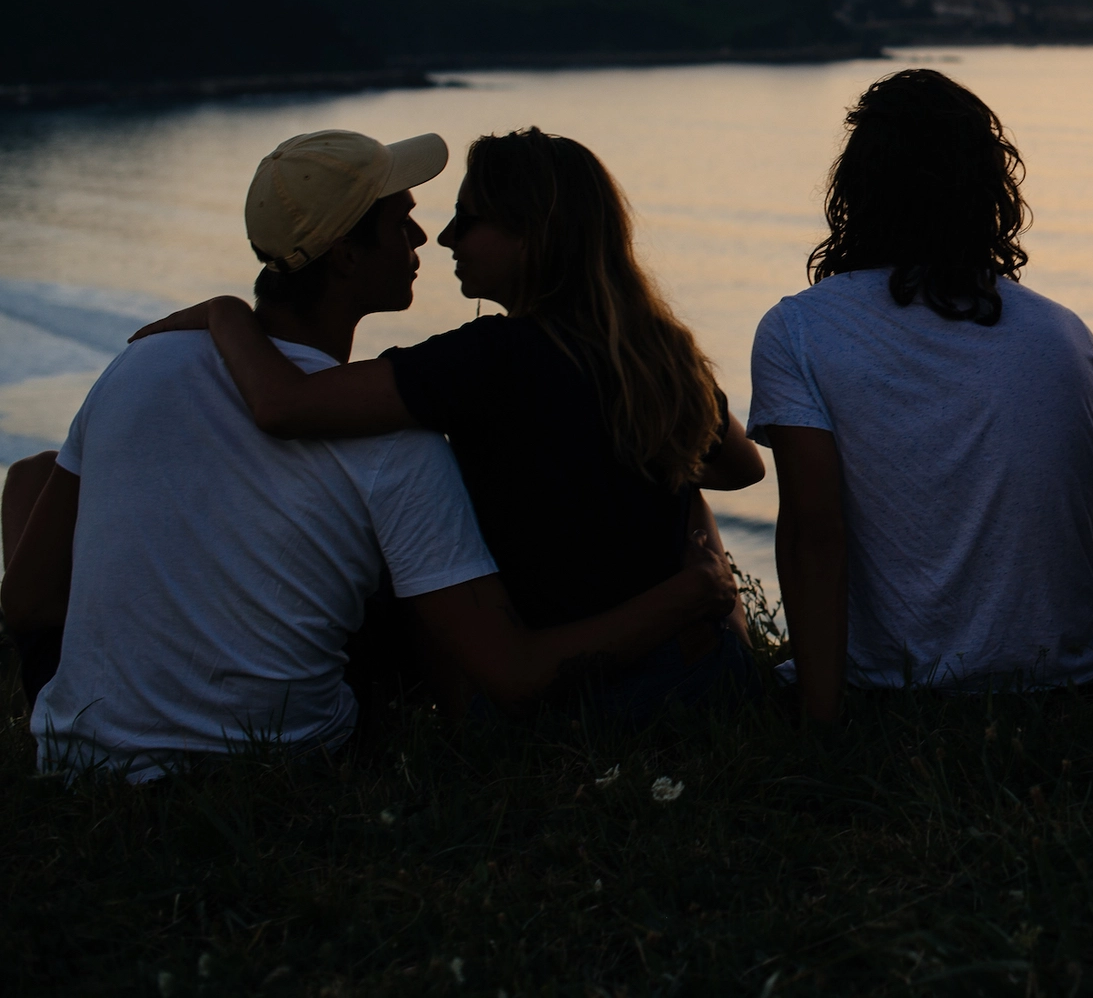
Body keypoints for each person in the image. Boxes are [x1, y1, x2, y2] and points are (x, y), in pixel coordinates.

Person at [0, 129, 735, 780]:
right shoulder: (402, 440)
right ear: (348, 255)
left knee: (37, 475)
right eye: (401, 219)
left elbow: (27, 603)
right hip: (291, 759)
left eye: (451, 218)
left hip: (79, 757)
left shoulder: (137, 365)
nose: (428, 237)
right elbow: (735, 465)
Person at [749, 69, 1093, 724]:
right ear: (990, 192)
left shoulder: (798, 330)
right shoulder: (1065, 332)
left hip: (885, 685)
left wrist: (820, 722)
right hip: (1064, 679)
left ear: (856, 188)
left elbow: (813, 534)